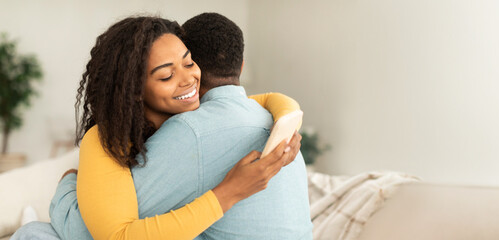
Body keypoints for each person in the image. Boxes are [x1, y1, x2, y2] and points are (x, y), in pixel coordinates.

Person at [12, 15, 311, 239]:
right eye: (166, 76)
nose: (188, 79)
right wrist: (287, 111)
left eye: (189, 62)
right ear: (135, 89)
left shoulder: (192, 132)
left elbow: (92, 233)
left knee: (34, 233)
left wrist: (66, 185)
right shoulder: (262, 117)